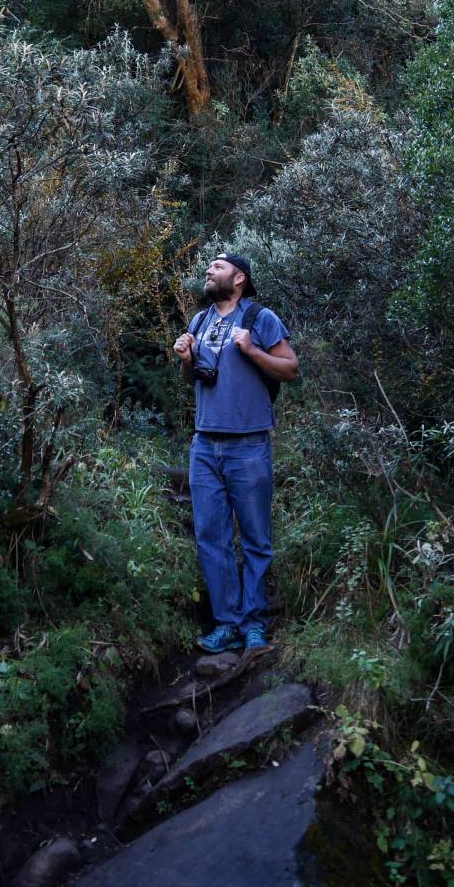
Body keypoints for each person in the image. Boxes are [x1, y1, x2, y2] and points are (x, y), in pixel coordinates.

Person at [172, 253, 299, 654]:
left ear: (239, 277)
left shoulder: (260, 318)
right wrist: (186, 359)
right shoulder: (199, 320)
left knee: (256, 538)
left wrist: (252, 351)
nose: (209, 271)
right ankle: (227, 623)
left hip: (248, 443)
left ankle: (255, 623)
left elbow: (291, 368)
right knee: (212, 536)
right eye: (209, 268)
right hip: (205, 444)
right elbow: (191, 380)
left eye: (217, 266)